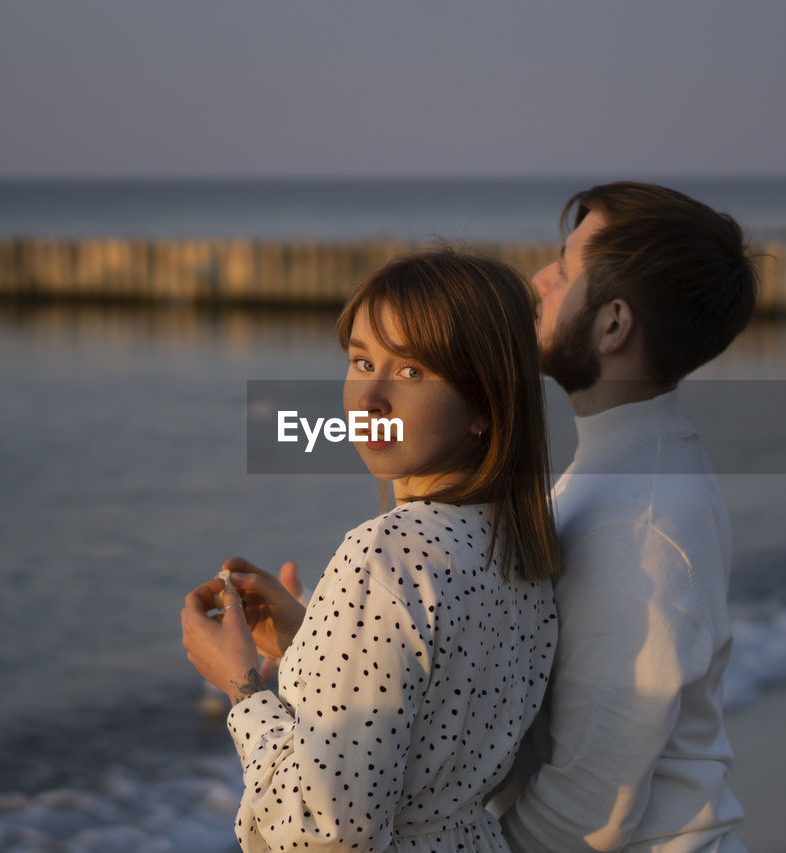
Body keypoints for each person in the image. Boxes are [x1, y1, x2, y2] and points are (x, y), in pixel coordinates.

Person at [181, 250, 563, 852]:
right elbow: (438, 714)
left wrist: (242, 687)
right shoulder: (517, 547)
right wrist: (310, 636)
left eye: (412, 372)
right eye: (362, 361)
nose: (368, 398)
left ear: (485, 407)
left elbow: (327, 836)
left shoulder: (384, 555)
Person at [495, 182, 757, 852]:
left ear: (613, 325)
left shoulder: (638, 523)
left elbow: (586, 812)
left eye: (566, 269)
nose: (538, 279)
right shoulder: (636, 463)